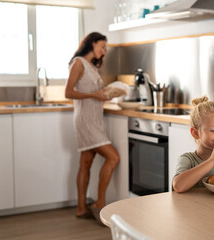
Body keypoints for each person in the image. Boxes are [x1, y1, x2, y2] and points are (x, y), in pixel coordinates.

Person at [65, 32, 125, 222]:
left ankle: (81, 209)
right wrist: (95, 95)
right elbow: (69, 92)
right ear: (92, 44)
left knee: (86, 162)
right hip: (85, 119)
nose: (104, 50)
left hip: (95, 118)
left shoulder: (92, 65)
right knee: (113, 157)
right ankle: (99, 203)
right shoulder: (78, 62)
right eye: (102, 46)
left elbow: (94, 91)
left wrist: (106, 94)